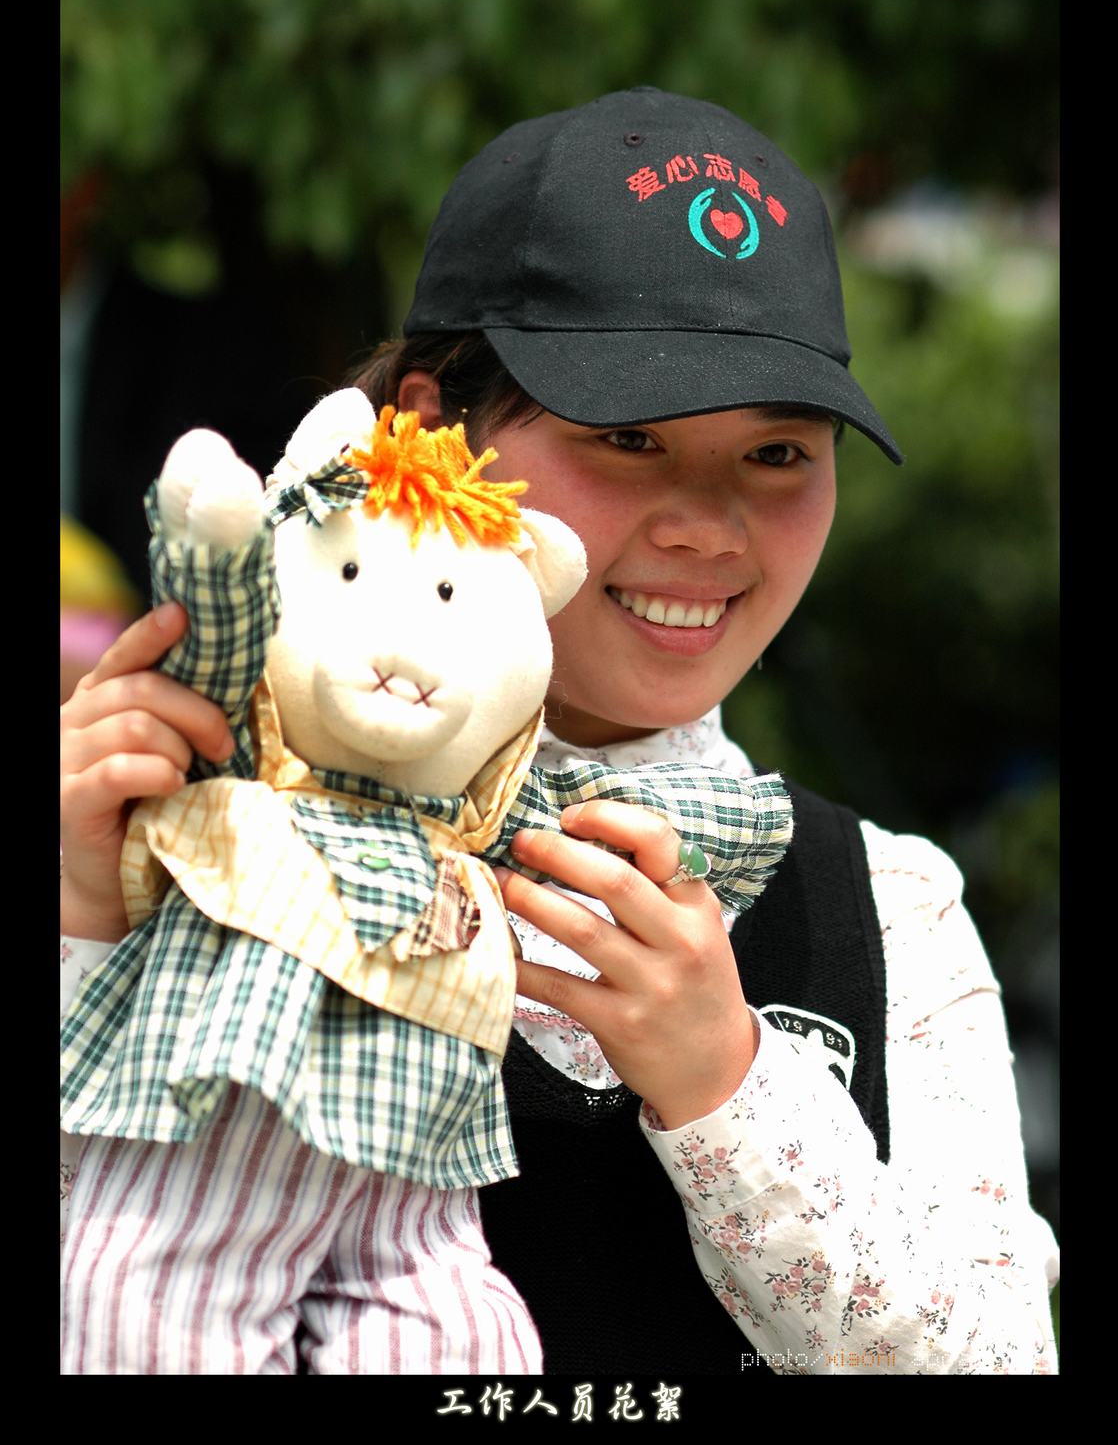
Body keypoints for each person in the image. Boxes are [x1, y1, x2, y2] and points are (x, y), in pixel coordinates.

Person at [60, 87, 1059, 1375]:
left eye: (777, 456)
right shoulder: (192, 819)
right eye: (628, 437)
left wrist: (727, 1086)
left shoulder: (888, 909)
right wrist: (85, 925)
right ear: (432, 426)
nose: (708, 528)